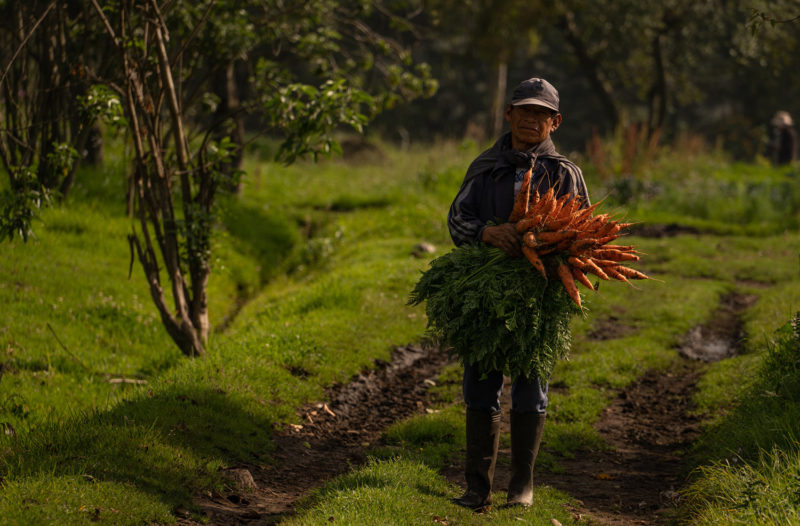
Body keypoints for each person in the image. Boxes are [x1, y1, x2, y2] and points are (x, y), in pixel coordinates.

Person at [447, 77, 590, 510]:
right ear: (508, 115)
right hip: (486, 290)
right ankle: (477, 487)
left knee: (532, 384)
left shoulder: (564, 173)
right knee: (480, 381)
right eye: (524, 111)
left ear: (555, 122)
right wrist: (488, 232)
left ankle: (522, 486)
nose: (531, 119)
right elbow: (456, 220)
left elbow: (584, 236)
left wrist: (543, 243)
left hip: (540, 292)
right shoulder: (485, 167)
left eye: (541, 114)